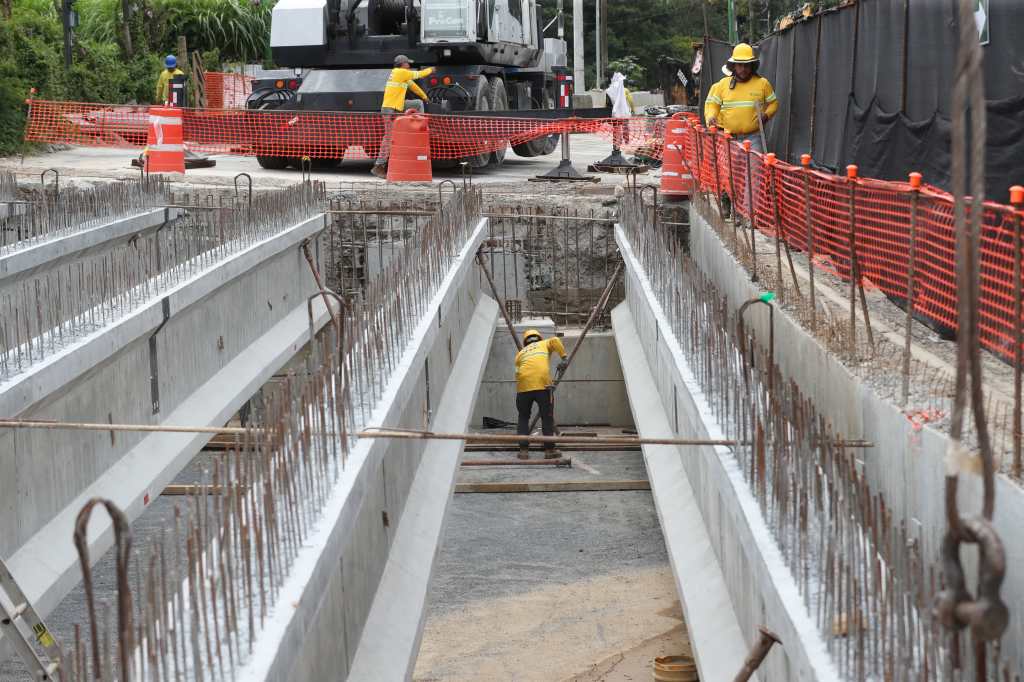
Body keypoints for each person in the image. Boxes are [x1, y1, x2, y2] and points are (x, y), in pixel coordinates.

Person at [703, 43, 778, 152]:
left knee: (754, 169)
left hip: (754, 138)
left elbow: (774, 103)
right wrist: (711, 116)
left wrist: (766, 115)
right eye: (740, 65)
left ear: (752, 66)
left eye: (746, 65)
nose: (743, 69)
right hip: (729, 139)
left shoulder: (762, 83)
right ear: (734, 66)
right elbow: (713, 105)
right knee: (731, 169)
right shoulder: (722, 85)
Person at [371, 55, 435, 178]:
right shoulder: (400, 72)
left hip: (396, 106)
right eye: (408, 64)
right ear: (402, 64)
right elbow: (418, 75)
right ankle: (378, 166)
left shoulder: (401, 75)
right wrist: (430, 70)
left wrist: (425, 97)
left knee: (418, 103)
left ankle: (420, 127)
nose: (409, 66)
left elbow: (414, 87)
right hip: (389, 109)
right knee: (389, 138)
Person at [514, 329, 567, 460]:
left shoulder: (520, 354)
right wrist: (564, 358)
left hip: (523, 388)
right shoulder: (544, 343)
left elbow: (517, 373)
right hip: (543, 386)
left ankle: (523, 451)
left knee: (523, 417)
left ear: (526, 342)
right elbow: (555, 340)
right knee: (547, 417)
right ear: (539, 337)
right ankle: (549, 450)